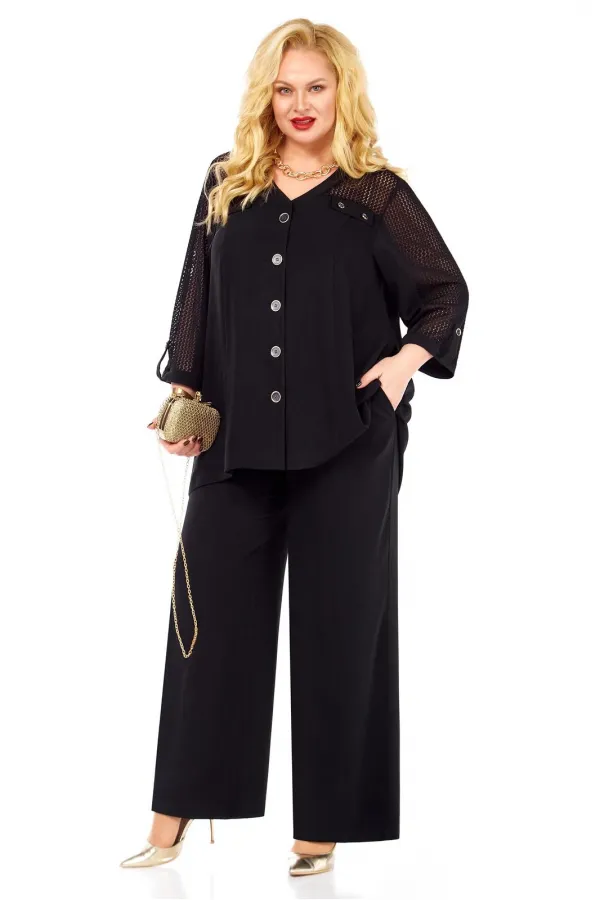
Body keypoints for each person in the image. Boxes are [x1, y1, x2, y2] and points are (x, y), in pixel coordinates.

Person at [120, 17, 469, 875]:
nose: (300, 104)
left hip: (349, 442)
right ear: (264, 96)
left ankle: (322, 831)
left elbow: (444, 292)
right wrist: (185, 396)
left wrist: (402, 366)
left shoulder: (375, 195)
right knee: (206, 626)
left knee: (342, 631)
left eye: (316, 87)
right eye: (284, 89)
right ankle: (173, 816)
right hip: (235, 442)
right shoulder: (226, 183)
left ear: (342, 91)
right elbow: (195, 299)